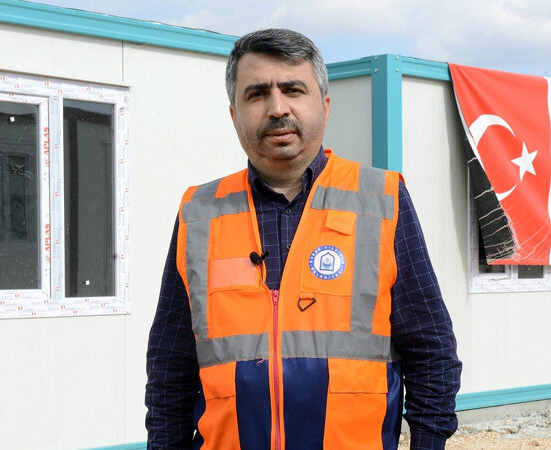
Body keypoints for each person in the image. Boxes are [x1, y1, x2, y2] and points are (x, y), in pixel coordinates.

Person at [145, 29, 462, 450]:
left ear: (325, 106)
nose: (277, 108)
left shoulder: (381, 199)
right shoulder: (200, 212)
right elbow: (169, 369)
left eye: (293, 90)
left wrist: (428, 442)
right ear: (234, 114)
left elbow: (431, 349)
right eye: (257, 94)